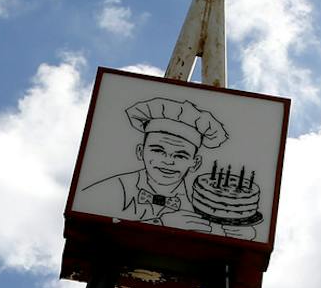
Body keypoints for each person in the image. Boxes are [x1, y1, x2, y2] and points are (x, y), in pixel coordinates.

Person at [76, 96, 244, 235]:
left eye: (180, 155)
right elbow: (84, 229)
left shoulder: (203, 205)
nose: (168, 160)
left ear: (195, 163)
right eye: (158, 150)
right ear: (141, 152)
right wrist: (161, 223)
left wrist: (240, 236)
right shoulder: (107, 190)